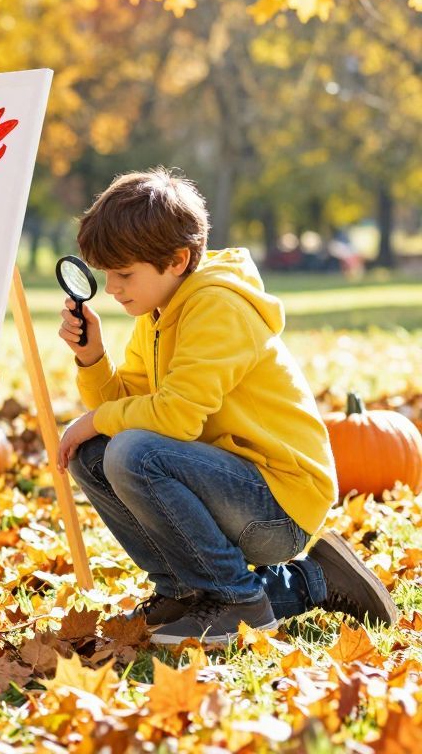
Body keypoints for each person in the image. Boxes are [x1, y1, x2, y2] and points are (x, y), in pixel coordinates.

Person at [56, 169, 396, 647]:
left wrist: (95, 419)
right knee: (94, 453)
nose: (112, 288)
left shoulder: (217, 307)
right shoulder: (157, 314)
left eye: (124, 274)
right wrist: (92, 359)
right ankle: (187, 591)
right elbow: (125, 410)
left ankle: (238, 599)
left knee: (131, 453)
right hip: (226, 482)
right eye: (107, 274)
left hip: (280, 502)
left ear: (177, 260)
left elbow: (175, 418)